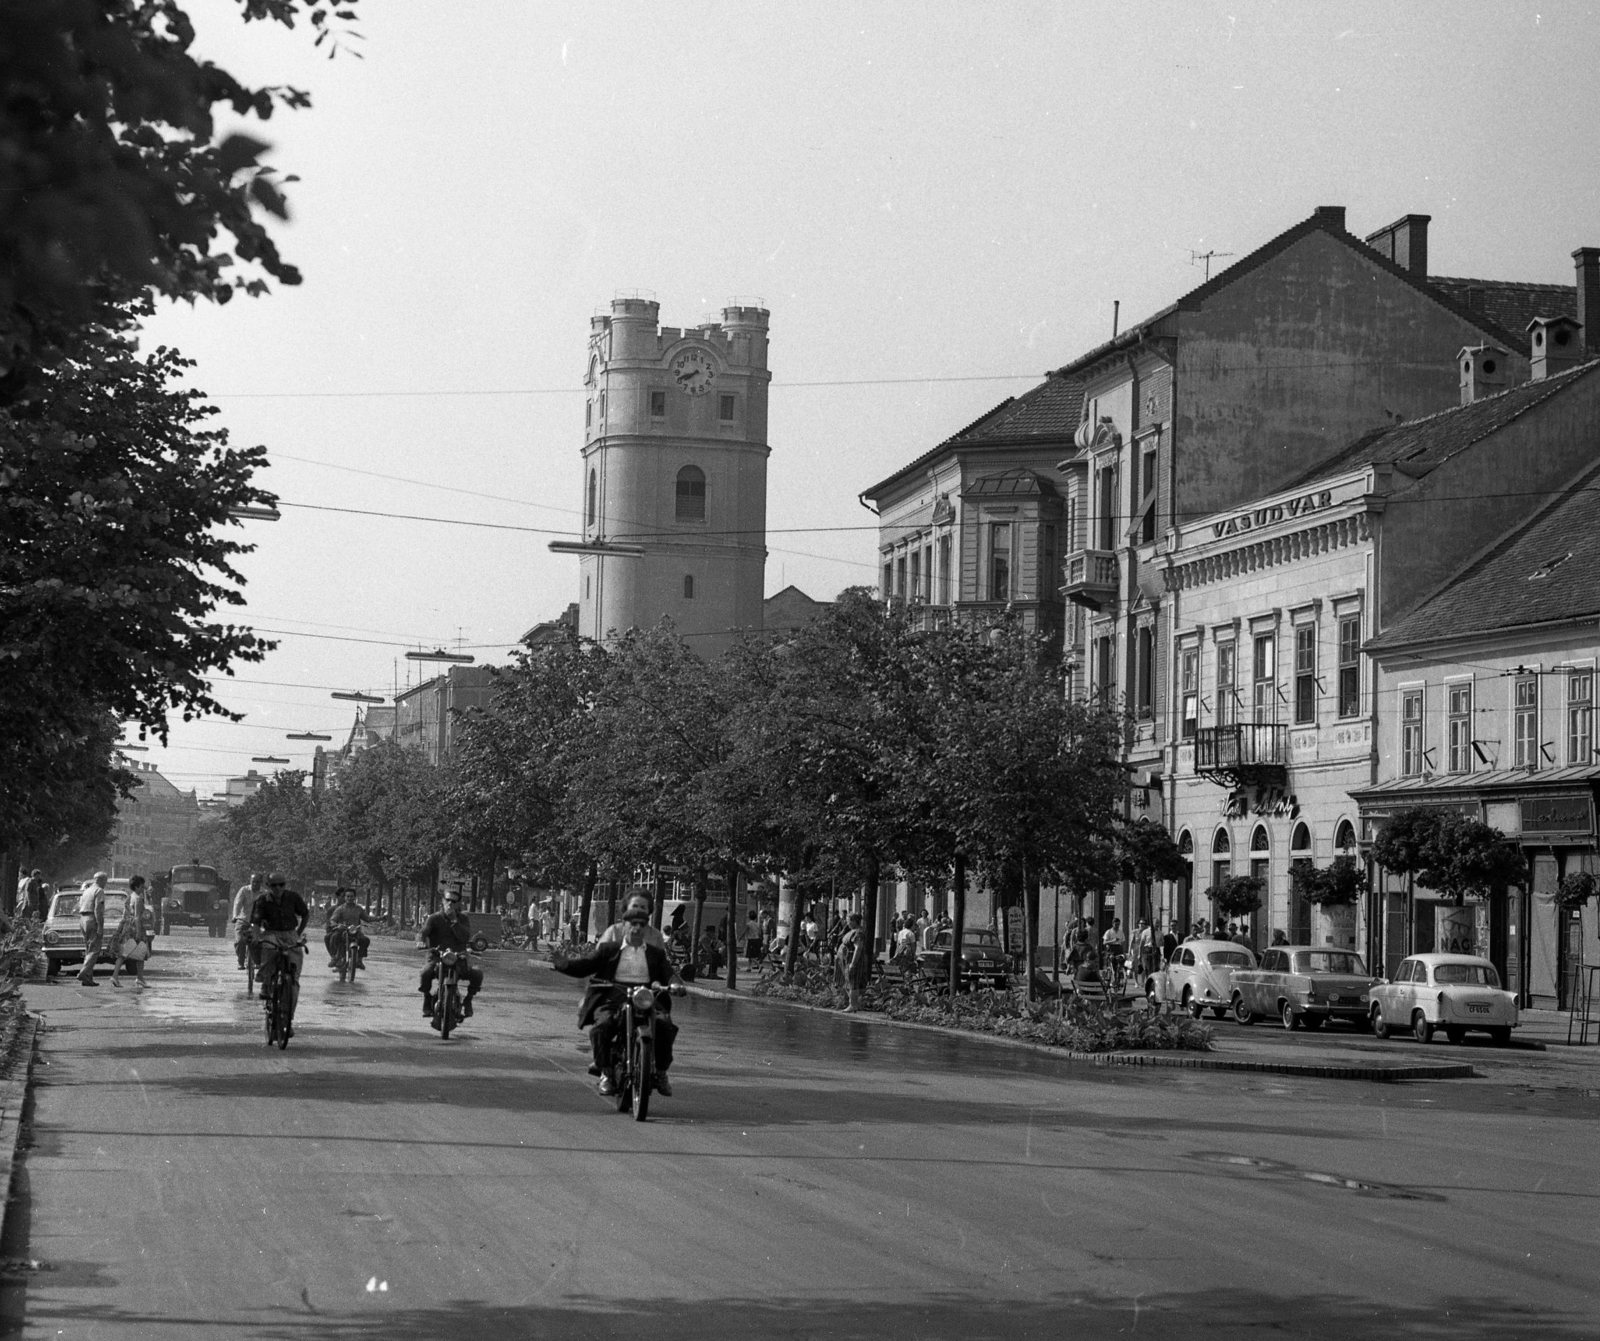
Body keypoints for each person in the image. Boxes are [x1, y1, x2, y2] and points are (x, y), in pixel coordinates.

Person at [552, 903, 683, 1097]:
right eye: (633, 924)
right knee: (601, 1027)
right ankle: (606, 1072)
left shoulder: (656, 954)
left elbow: (669, 974)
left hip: (646, 998)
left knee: (664, 1025)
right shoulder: (608, 950)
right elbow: (586, 965)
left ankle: (661, 1072)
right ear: (624, 926)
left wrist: (677, 985)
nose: (637, 928)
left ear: (647, 928)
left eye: (642, 924)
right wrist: (565, 965)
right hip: (613, 999)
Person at [251, 872, 310, 1027]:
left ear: (285, 885)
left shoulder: (293, 897)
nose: (278, 888)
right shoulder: (262, 900)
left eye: (281, 885)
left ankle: (287, 1019)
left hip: (291, 933)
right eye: (274, 885)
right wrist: (257, 937)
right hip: (271, 933)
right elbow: (256, 922)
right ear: (267, 886)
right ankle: (265, 981)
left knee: (294, 982)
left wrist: (298, 934)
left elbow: (305, 914)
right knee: (269, 950)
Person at [418, 889, 483, 1019]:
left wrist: (454, 922)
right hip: (437, 956)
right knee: (425, 972)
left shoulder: (463, 919)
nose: (450, 904)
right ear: (442, 901)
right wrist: (420, 942)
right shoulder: (434, 918)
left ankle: (468, 1000)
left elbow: (465, 937)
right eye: (447, 900)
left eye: (454, 901)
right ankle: (426, 998)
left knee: (477, 973)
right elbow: (422, 933)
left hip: (458, 958)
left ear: (459, 904)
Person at [110, 876, 152, 989]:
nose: (143, 888)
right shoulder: (138, 899)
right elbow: (138, 917)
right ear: (137, 886)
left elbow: (125, 915)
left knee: (124, 953)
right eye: (142, 886)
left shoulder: (129, 897)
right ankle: (139, 978)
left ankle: (117, 976)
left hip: (127, 927)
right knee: (141, 952)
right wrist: (138, 932)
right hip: (136, 928)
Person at [76, 871, 111, 986]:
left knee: (88, 949)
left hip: (83, 919)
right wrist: (100, 926)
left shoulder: (87, 890)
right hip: (92, 919)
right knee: (95, 949)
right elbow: (98, 909)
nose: (105, 884)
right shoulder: (99, 891)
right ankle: (83, 972)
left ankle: (88, 978)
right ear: (100, 880)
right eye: (105, 881)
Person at [598, 893, 667, 949]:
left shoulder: (656, 935)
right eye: (635, 906)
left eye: (643, 907)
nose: (638, 910)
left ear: (649, 910)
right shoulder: (614, 931)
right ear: (626, 908)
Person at [324, 888, 371, 968]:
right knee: (332, 937)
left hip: (354, 931)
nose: (349, 898)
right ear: (344, 897)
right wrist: (336, 925)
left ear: (355, 897)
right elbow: (332, 920)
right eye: (347, 896)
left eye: (351, 896)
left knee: (365, 940)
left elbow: (367, 918)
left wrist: (380, 918)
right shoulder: (339, 909)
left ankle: (359, 959)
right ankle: (334, 957)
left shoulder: (358, 909)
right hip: (341, 931)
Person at [837, 912, 871, 1012]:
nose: (848, 923)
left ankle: (853, 1004)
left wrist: (853, 963)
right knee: (849, 982)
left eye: (849, 921)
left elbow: (858, 948)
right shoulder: (853, 931)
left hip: (853, 960)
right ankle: (853, 1003)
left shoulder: (858, 933)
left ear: (855, 921)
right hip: (846, 960)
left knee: (853, 983)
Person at [231, 873, 263, 971]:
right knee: (240, 941)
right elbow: (237, 903)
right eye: (253, 882)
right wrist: (235, 916)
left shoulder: (264, 893)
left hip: (257, 923)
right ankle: (241, 961)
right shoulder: (244, 890)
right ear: (250, 882)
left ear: (261, 883)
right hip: (243, 920)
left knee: (259, 942)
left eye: (257, 882)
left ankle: (257, 961)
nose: (255, 884)